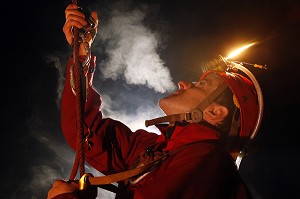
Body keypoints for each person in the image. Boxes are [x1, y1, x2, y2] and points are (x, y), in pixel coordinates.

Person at [48, 3, 262, 199]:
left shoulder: (209, 162)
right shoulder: (154, 151)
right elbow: (85, 132)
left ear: (216, 112)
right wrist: (82, 52)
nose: (183, 83)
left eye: (201, 85)